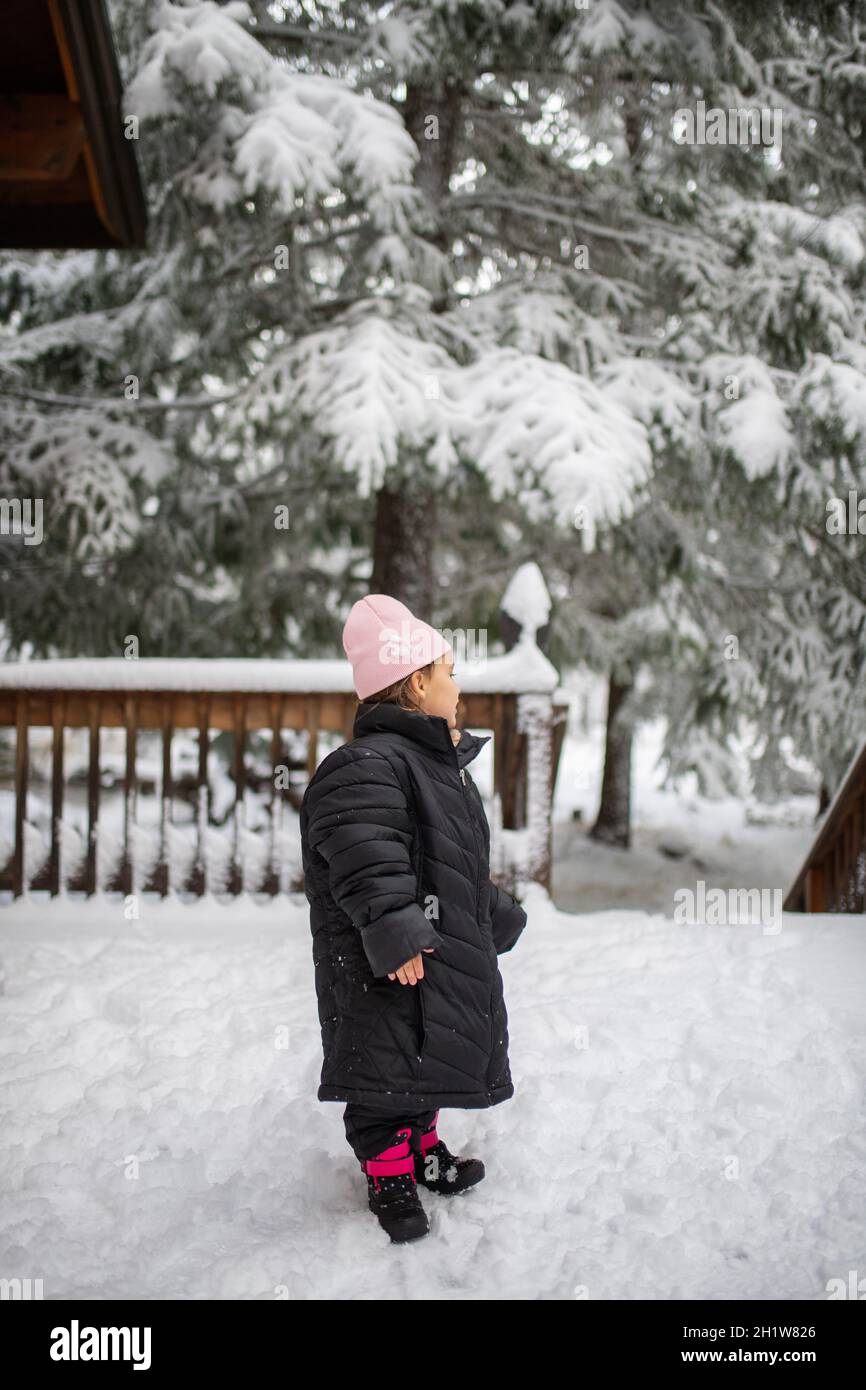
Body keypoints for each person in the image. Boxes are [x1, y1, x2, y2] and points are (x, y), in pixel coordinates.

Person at [299, 594, 528, 1242]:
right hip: (383, 963)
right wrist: (395, 929)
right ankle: (388, 1170)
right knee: (383, 1068)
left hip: (430, 952)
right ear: (417, 680)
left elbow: (452, 865)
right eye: (450, 672)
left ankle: (423, 1143)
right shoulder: (364, 767)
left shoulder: (438, 768)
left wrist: (493, 916)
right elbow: (364, 854)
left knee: (424, 1058)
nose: (459, 688)